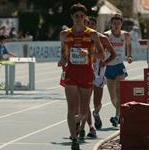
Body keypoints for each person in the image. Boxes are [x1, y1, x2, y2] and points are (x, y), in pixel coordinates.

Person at [58, 3, 105, 150]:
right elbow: (63, 53)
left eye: (81, 16)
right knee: (71, 108)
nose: (78, 19)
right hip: (71, 73)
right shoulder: (65, 34)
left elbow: (102, 55)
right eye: (76, 16)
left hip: (86, 74)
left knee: (83, 111)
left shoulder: (92, 34)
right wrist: (62, 60)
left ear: (85, 17)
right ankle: (74, 139)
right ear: (72, 17)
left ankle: (79, 122)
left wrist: (89, 54)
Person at [80, 16, 116, 138]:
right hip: (86, 70)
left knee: (97, 102)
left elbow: (113, 54)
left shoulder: (102, 38)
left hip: (99, 72)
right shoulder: (82, 37)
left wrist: (105, 62)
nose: (89, 26)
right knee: (86, 100)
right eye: (87, 24)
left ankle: (96, 113)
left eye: (92, 24)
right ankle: (90, 127)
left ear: (95, 26)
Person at [104, 13, 132, 127]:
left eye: (118, 23)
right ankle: (121, 115)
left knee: (119, 93)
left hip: (119, 66)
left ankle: (116, 117)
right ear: (111, 23)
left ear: (121, 24)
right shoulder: (106, 35)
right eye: (114, 23)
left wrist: (129, 56)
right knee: (113, 97)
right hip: (109, 66)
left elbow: (129, 45)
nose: (116, 25)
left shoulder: (126, 35)